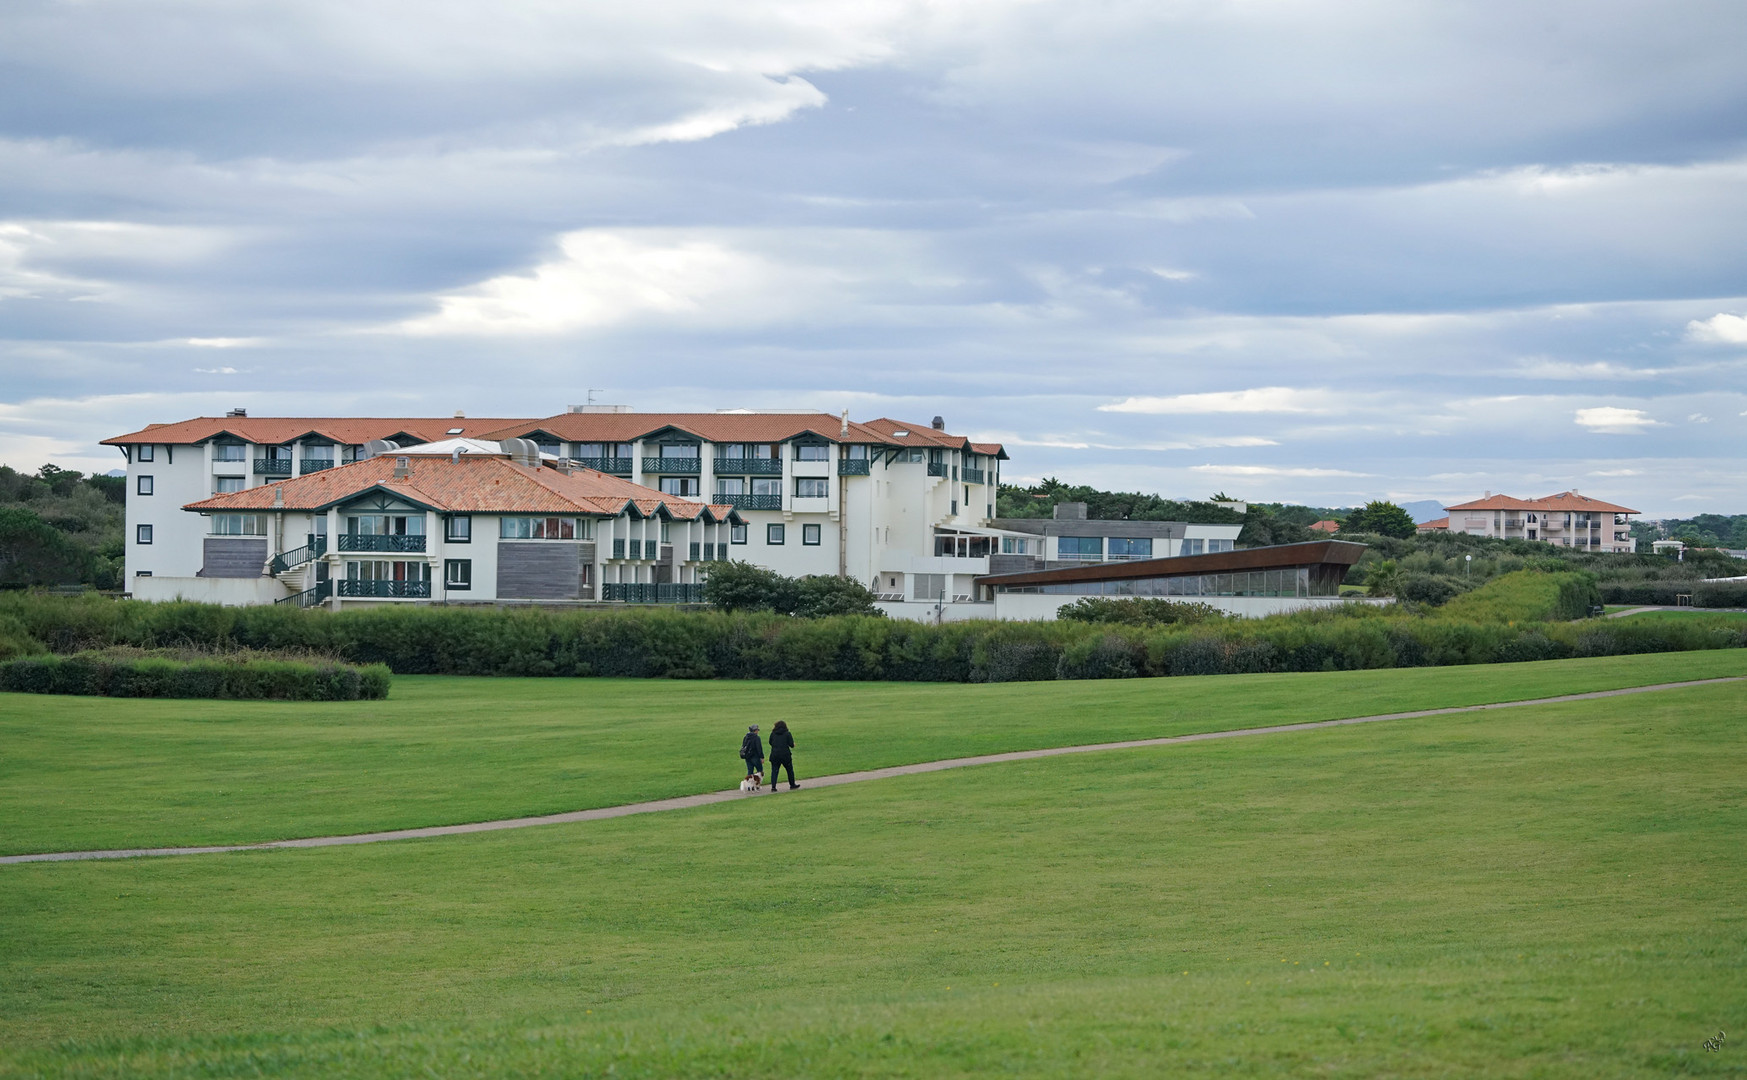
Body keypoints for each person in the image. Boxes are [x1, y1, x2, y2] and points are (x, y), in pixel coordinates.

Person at [767, 720, 799, 790]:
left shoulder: (773, 733)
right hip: (785, 755)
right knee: (789, 770)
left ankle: (773, 786)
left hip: (775, 755)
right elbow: (791, 744)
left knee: (774, 771)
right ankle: (792, 784)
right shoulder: (787, 733)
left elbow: (770, 742)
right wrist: (793, 744)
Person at [739, 724, 764, 789]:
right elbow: (759, 748)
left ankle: (749, 786)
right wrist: (761, 757)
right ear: (755, 730)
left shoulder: (746, 737)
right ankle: (757, 785)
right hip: (755, 756)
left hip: (747, 757)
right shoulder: (756, 737)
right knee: (759, 771)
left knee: (750, 771)